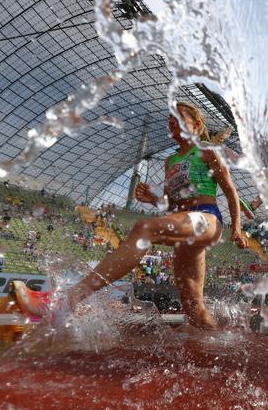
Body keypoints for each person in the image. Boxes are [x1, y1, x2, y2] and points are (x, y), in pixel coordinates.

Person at [42, 102, 248, 329]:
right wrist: (152, 199)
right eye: (169, 121)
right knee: (193, 307)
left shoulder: (208, 152)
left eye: (178, 119)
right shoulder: (171, 161)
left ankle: (73, 296)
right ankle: (216, 338)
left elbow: (231, 192)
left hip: (206, 218)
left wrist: (237, 229)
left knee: (144, 228)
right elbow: (170, 206)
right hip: (185, 224)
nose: (171, 123)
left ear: (197, 125)